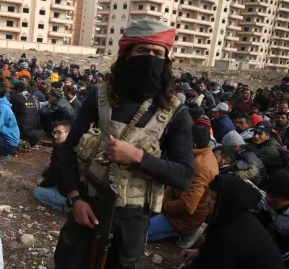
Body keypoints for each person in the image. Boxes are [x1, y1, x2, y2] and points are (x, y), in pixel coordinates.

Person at [54, 19, 193, 268]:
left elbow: (184, 176)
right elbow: (68, 149)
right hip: (89, 207)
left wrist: (138, 157)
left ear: (166, 61)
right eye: (142, 50)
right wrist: (75, 199)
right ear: (127, 55)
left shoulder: (175, 112)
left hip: (133, 219)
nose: (150, 58)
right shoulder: (100, 96)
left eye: (157, 53)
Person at [179, 175, 285, 269]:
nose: (207, 200)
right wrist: (200, 252)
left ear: (227, 203)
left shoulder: (232, 235)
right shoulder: (237, 218)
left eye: (213, 197)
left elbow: (216, 262)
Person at [148, 125, 218, 249]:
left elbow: (187, 205)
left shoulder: (201, 168)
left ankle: (186, 232)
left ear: (194, 145)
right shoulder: (196, 155)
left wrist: (163, 205)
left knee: (137, 233)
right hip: (173, 202)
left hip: (182, 219)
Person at [33, 122, 71, 211]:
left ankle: (65, 208)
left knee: (37, 192)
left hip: (67, 195)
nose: (55, 136)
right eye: (54, 133)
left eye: (59, 133)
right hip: (78, 193)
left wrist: (43, 184)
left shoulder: (60, 149)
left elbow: (55, 175)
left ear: (68, 133)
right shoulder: (75, 146)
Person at [259, 170, 289, 268]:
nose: (267, 198)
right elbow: (261, 219)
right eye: (268, 192)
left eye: (274, 196)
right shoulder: (270, 203)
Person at [9, 82, 39, 146]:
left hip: (22, 134)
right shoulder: (33, 98)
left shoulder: (16, 98)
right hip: (34, 134)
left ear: (17, 91)